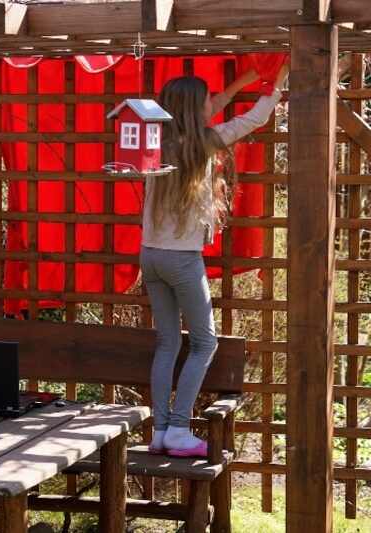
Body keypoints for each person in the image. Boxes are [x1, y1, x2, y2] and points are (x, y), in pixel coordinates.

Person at [142, 63, 289, 457]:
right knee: (204, 343)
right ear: (195, 108)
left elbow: (219, 104)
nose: (214, 102)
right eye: (208, 99)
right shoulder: (204, 143)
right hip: (181, 260)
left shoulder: (156, 143)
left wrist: (242, 81)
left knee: (167, 343)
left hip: (150, 256)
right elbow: (254, 118)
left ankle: (158, 431)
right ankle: (177, 428)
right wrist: (278, 82)